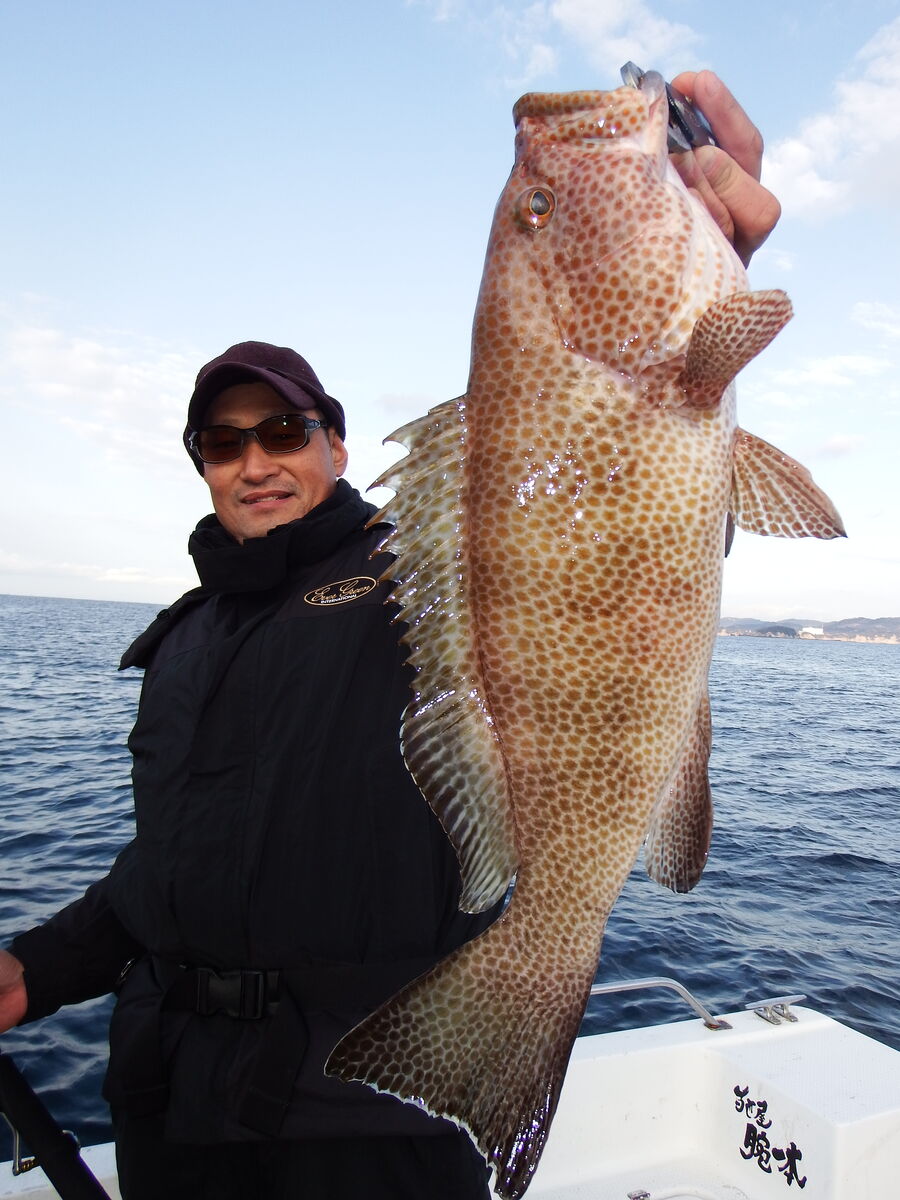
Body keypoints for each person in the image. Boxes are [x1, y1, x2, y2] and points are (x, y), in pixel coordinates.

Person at [0, 73, 780, 1198]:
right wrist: (35, 969)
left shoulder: (402, 578)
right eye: (223, 443)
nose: (256, 460)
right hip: (173, 1116)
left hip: (360, 1132)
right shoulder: (181, 643)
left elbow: (608, 534)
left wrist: (702, 274)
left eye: (284, 429)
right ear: (202, 465)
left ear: (337, 444)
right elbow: (166, 871)